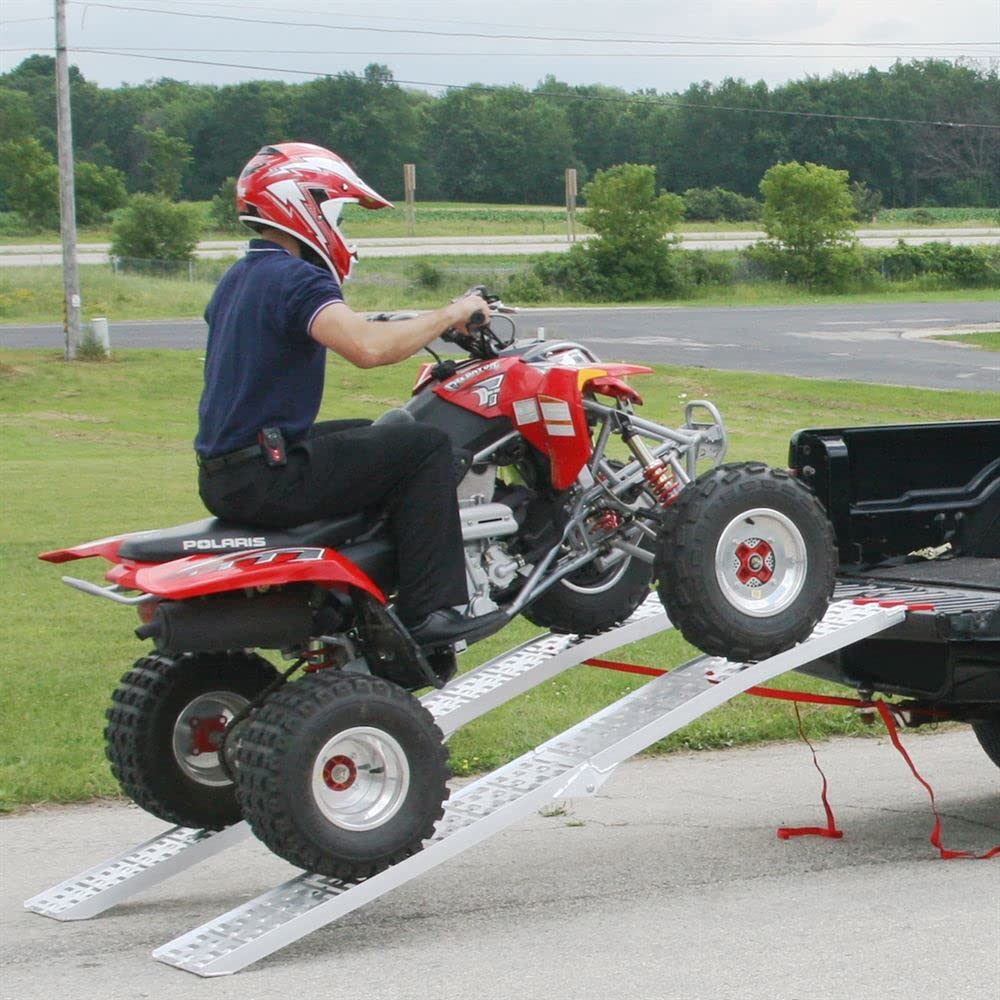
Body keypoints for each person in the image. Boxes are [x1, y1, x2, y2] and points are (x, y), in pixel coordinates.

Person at [194, 141, 491, 646]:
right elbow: (367, 349)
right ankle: (429, 613)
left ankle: (365, 583)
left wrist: (420, 321)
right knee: (424, 448)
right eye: (339, 213)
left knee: (371, 433)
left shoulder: (242, 276)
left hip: (227, 473)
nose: (340, 229)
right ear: (305, 205)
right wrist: (449, 313)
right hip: (267, 477)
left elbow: (338, 325)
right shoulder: (297, 278)